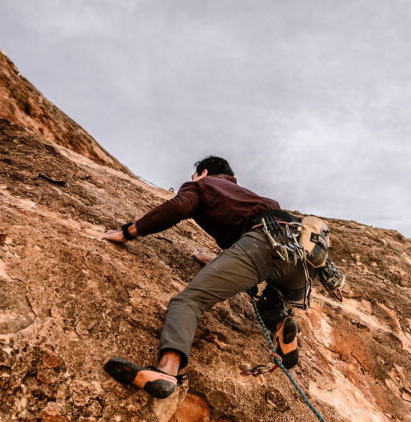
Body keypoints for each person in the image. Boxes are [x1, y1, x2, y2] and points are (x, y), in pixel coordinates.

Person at [101, 156, 313, 398]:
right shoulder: (254, 197)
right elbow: (245, 247)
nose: (192, 180)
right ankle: (281, 326)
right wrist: (216, 262)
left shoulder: (204, 184)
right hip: (303, 260)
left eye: (194, 177)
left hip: (260, 247)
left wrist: (127, 232)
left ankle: (166, 372)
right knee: (273, 295)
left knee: (188, 302)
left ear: (202, 173)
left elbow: (180, 207)